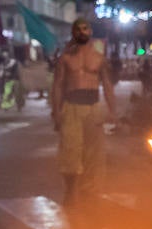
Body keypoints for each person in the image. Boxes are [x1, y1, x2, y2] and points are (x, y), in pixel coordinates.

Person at [50, 18, 117, 204]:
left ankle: (88, 191)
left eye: (85, 28)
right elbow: (57, 86)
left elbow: (107, 85)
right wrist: (56, 111)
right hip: (72, 107)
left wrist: (112, 110)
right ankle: (71, 190)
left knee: (93, 153)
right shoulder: (65, 58)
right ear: (73, 32)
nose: (81, 32)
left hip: (93, 107)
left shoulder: (99, 58)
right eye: (78, 29)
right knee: (70, 151)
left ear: (90, 31)